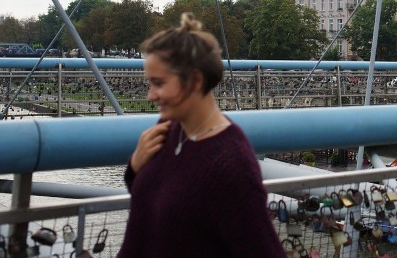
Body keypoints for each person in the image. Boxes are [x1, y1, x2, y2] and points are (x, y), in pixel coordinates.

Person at [118, 13, 285, 257]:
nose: (150, 95)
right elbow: (156, 203)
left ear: (195, 80)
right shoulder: (170, 127)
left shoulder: (232, 163)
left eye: (159, 83)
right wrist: (134, 167)